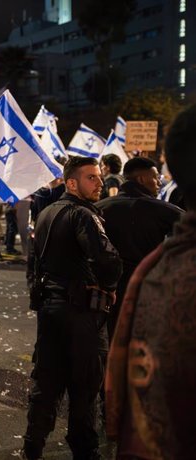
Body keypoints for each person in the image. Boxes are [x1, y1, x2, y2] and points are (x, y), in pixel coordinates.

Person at [105, 105, 196, 459]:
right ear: (146, 179)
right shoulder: (162, 215)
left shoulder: (156, 275)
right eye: (155, 178)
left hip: (115, 291)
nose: (159, 183)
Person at [22, 156, 122, 460]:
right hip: (81, 317)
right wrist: (111, 285)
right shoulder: (82, 215)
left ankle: (33, 447)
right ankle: (85, 451)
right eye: (91, 177)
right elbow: (107, 261)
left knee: (47, 386)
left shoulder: (46, 213)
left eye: (99, 177)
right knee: (84, 390)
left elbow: (33, 265)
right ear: (71, 183)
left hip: (51, 312)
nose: (99, 182)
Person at [96, 157, 183, 340]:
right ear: (142, 179)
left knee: (113, 339)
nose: (159, 182)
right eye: (156, 177)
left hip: (108, 289)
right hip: (147, 287)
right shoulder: (162, 210)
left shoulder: (98, 209)